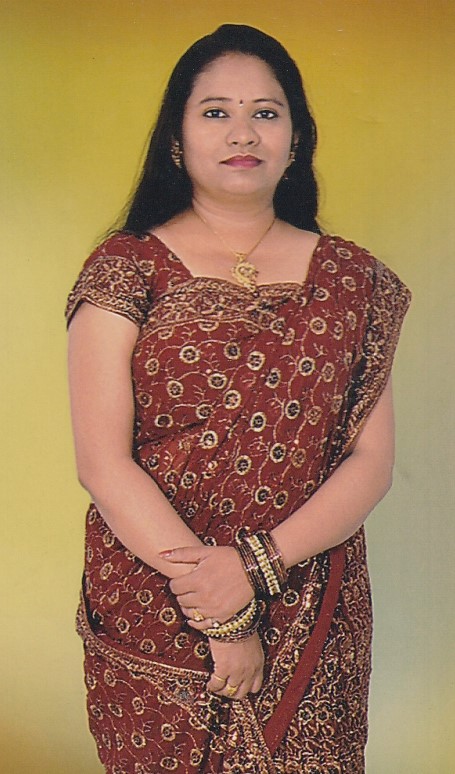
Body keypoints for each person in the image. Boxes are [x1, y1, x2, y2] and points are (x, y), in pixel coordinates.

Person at [66, 24, 411, 774]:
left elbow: (371, 461)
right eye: (216, 112)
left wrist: (254, 568)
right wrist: (219, 612)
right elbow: (104, 463)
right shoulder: (127, 267)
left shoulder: (354, 281)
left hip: (309, 592)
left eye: (266, 112)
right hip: (156, 599)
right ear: (176, 138)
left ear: (296, 138)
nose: (243, 132)